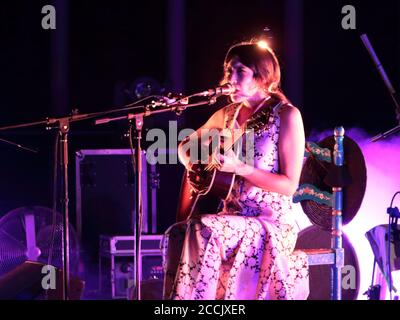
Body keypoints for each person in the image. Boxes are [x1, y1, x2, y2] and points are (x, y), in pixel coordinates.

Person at [161, 41, 309, 300]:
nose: (229, 78)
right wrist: (200, 167)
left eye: (239, 71)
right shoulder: (227, 114)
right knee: (177, 232)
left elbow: (289, 185)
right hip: (232, 217)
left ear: (262, 76)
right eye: (228, 70)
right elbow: (185, 147)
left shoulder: (286, 115)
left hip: (271, 223)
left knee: (201, 229)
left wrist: (240, 168)